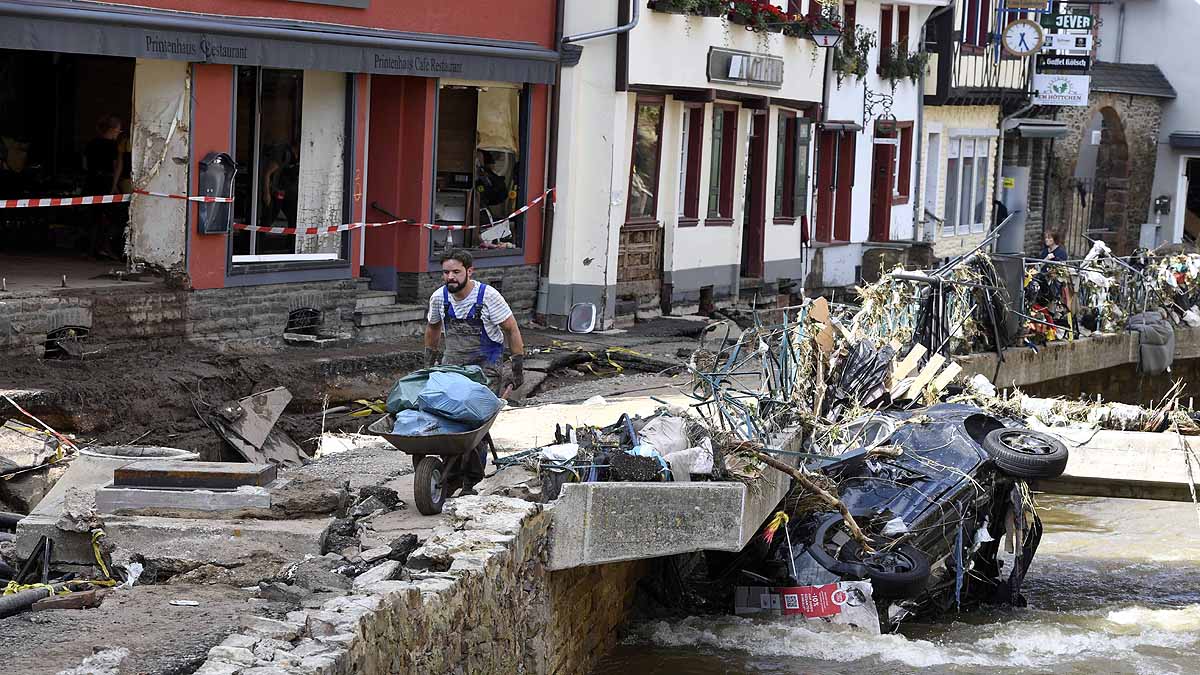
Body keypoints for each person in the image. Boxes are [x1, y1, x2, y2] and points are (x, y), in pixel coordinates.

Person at [424, 249, 525, 494]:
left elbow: (511, 329)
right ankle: (451, 475)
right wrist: (429, 362)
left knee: (474, 421)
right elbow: (433, 327)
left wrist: (517, 366)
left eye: (456, 272)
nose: (450, 277)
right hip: (453, 365)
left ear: (469, 271)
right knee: (446, 416)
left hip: (485, 366)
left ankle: (471, 479)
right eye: (446, 272)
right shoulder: (439, 298)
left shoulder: (488, 297)